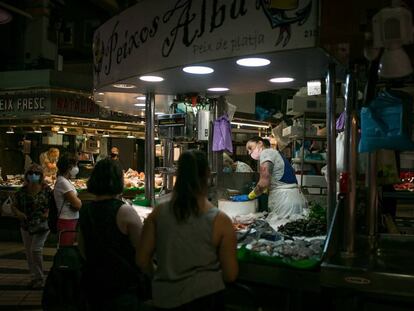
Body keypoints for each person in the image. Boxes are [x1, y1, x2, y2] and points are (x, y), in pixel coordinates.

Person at [137, 150, 238, 310]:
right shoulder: (221, 221)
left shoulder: (158, 213)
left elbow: (142, 260)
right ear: (207, 176)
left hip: (164, 298)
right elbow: (230, 274)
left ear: (178, 176)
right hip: (206, 299)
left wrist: (162, 275)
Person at [79, 158, 144, 310]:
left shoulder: (86, 211)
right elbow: (142, 250)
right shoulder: (124, 211)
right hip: (122, 288)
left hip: (93, 286)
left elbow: (82, 250)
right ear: (118, 181)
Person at [243, 136, 307, 220]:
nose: (249, 153)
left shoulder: (266, 153)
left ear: (260, 143)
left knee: (281, 229)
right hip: (293, 197)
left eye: (250, 148)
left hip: (285, 200)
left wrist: (249, 196)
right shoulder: (274, 153)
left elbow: (263, 183)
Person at [11, 164, 52, 289]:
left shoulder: (46, 190)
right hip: (26, 225)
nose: (33, 175)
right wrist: (19, 213)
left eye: (36, 173)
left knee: (36, 249)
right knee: (29, 252)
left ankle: (40, 278)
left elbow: (53, 205)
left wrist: (47, 213)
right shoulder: (21, 191)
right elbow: (14, 206)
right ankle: (34, 277)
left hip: (42, 225)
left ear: (41, 176)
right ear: (26, 175)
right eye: (31, 173)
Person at [54, 154, 82, 246]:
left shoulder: (66, 180)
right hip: (66, 220)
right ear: (69, 167)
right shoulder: (62, 182)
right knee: (66, 248)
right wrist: (79, 201)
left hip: (71, 219)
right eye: (75, 165)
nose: (76, 168)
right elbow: (77, 204)